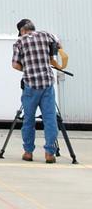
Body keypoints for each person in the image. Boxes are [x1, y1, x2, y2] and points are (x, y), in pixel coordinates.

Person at [12, 18, 68, 163]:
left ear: (22, 31)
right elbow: (58, 49)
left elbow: (15, 65)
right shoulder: (46, 35)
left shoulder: (19, 42)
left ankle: (28, 152)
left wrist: (29, 69)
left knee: (29, 120)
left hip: (31, 85)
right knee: (50, 120)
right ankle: (50, 153)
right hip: (47, 84)